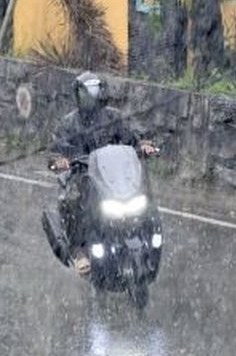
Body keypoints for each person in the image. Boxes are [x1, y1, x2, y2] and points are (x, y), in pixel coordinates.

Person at [49, 71, 158, 275]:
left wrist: (143, 146)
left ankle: (150, 238)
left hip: (113, 176)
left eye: (95, 90)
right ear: (78, 95)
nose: (92, 96)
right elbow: (57, 148)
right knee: (73, 201)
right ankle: (79, 251)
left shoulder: (113, 117)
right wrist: (60, 160)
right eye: (86, 92)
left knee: (143, 193)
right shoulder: (69, 123)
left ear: (102, 91)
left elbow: (131, 139)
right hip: (83, 177)